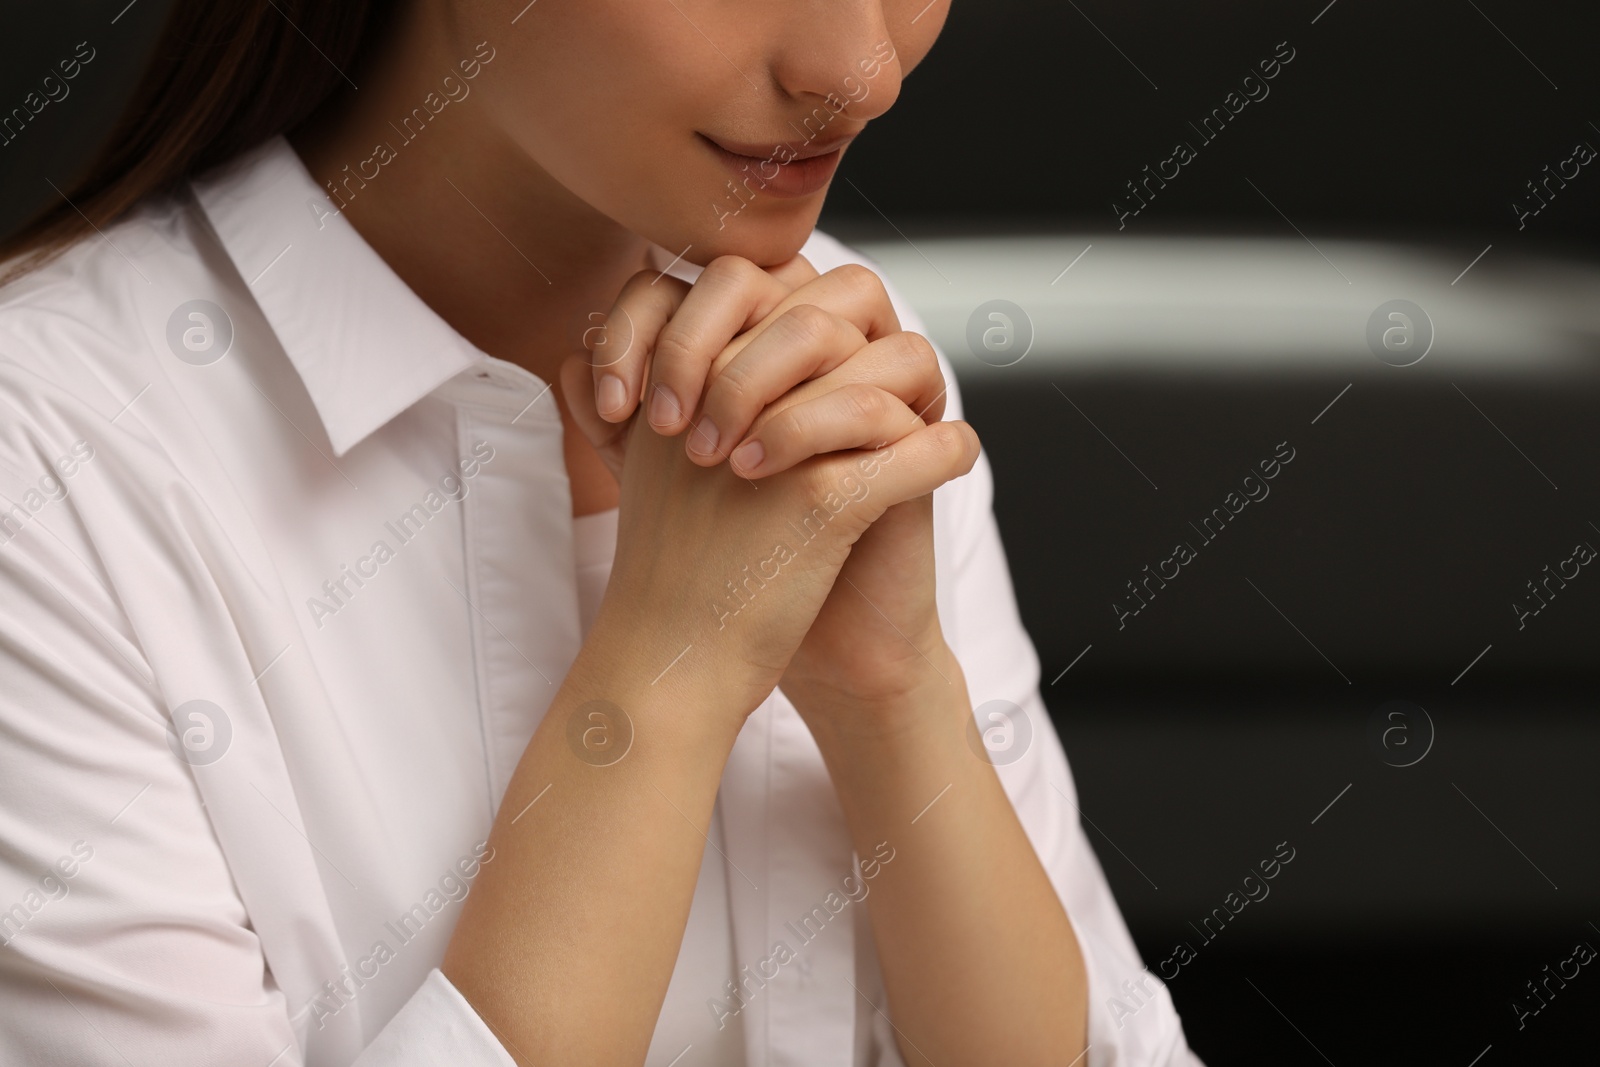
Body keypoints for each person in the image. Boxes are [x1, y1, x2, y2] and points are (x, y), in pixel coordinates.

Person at [0, 1, 1199, 1064]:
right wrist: (663, 678)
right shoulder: (44, 464)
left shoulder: (837, 354)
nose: (863, 69)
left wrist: (892, 696)